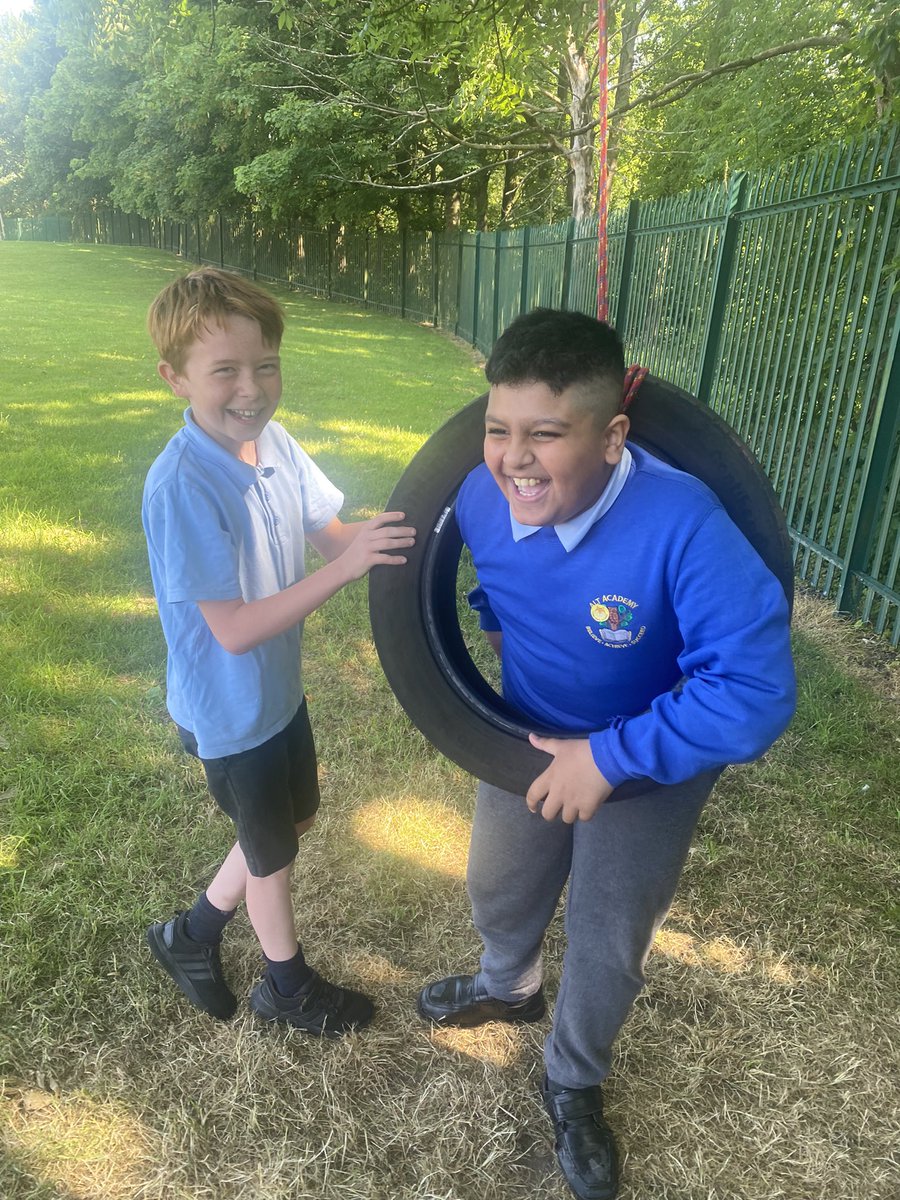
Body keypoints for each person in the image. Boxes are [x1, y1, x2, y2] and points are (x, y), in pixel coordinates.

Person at [416, 308, 796, 1198]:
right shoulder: (477, 497)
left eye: (547, 434)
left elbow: (754, 692)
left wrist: (613, 757)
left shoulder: (684, 523)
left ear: (613, 434)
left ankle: (574, 1077)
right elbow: (489, 592)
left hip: (649, 767)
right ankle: (507, 986)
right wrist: (492, 631)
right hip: (529, 737)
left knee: (608, 931)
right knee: (497, 882)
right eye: (499, 429)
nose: (515, 458)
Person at [142, 267, 414, 1036]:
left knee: (288, 825)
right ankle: (286, 988)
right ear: (176, 379)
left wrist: (423, 524)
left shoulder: (277, 444)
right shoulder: (183, 485)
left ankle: (190, 936)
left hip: (276, 692)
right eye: (223, 371)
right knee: (271, 857)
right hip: (230, 710)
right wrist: (343, 570)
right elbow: (229, 628)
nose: (250, 388)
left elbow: (335, 535)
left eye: (265, 365)